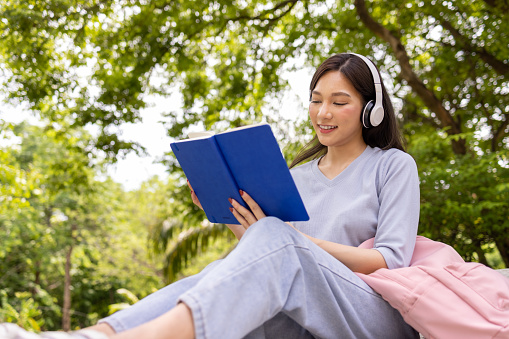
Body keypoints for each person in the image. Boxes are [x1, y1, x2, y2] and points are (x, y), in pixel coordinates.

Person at [1, 53, 420, 339]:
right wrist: (237, 219)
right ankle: (96, 334)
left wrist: (296, 243)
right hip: (303, 308)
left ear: (371, 109)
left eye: (339, 102)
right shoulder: (298, 175)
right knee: (215, 276)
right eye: (315, 101)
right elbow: (271, 261)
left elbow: (390, 258)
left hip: (368, 310)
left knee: (278, 244)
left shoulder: (392, 166)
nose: (322, 113)